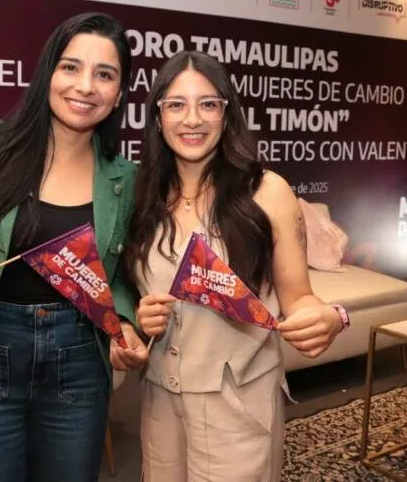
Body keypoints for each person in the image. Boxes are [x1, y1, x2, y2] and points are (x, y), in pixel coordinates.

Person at [0, 12, 148, 482]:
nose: (85, 86)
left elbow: (120, 277)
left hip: (80, 363)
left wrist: (123, 321)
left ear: (120, 93)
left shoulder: (126, 179)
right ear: (47, 73)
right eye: (71, 67)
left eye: (104, 75)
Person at [123, 50, 348, 481]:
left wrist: (325, 316)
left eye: (208, 104)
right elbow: (133, 289)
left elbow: (298, 298)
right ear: (157, 117)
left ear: (226, 115)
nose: (192, 119)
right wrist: (139, 317)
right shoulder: (142, 194)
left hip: (238, 399)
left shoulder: (267, 191)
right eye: (176, 104)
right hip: (160, 397)